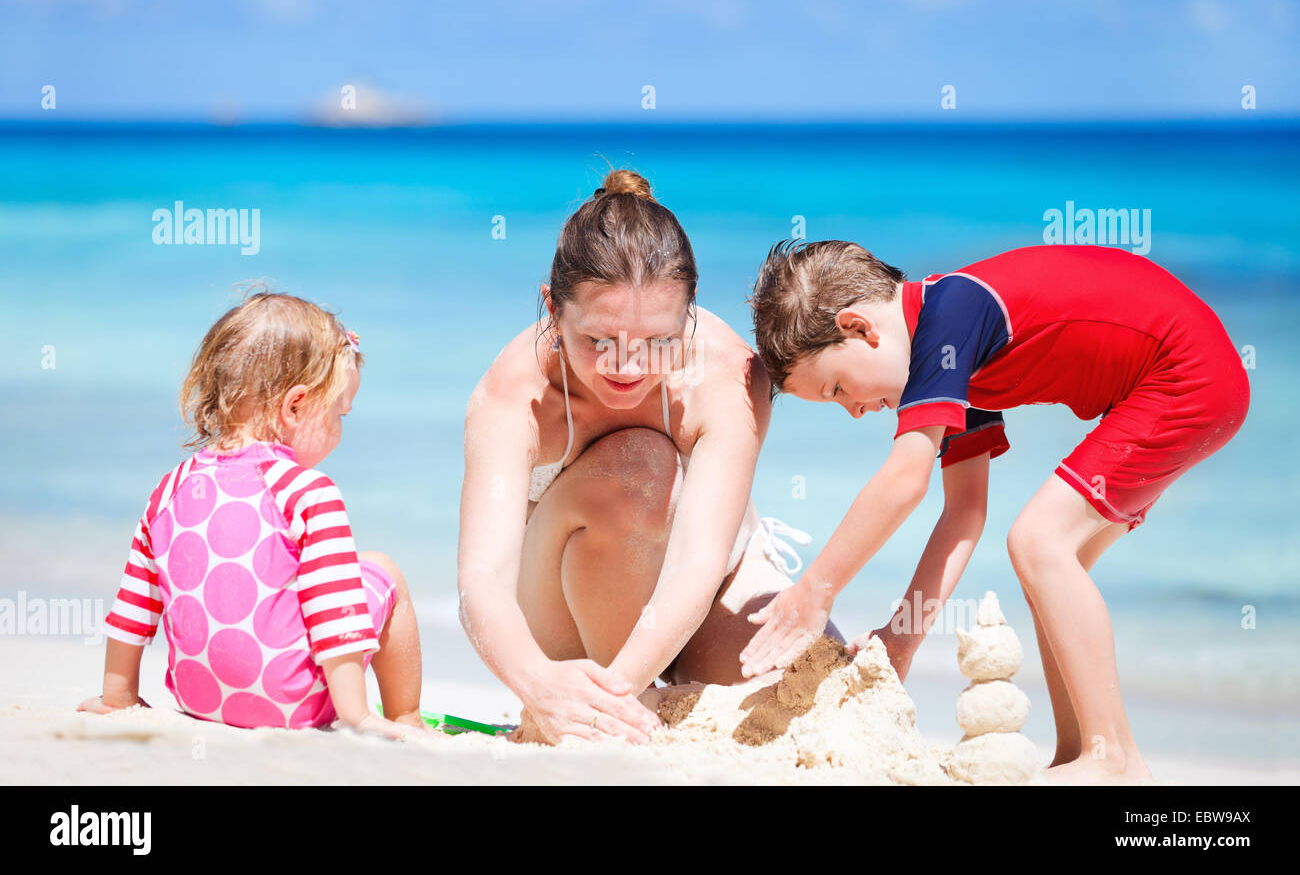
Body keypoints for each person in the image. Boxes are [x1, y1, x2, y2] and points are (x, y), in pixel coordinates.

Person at [740, 240, 1249, 784]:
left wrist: (816, 587)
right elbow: (964, 512)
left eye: (838, 387)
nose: (856, 411)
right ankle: (1080, 752)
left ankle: (1114, 758)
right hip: (1182, 381)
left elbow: (905, 480)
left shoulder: (949, 319)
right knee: (1055, 562)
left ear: (861, 328)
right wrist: (904, 637)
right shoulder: (957, 352)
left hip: (1185, 375)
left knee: (1038, 542)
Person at [457, 169, 842, 746]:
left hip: (706, 580)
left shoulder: (727, 376)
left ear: (688, 315)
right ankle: (635, 699)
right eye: (599, 340)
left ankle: (647, 692)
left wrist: (615, 698)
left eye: (656, 341)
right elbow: (482, 580)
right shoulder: (514, 394)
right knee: (639, 468)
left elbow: (698, 560)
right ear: (552, 312)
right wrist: (540, 686)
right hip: (563, 597)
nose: (627, 366)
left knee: (827, 689)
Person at [80, 291, 427, 740]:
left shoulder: (168, 489)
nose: (341, 433)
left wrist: (118, 698)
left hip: (199, 700)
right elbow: (333, 612)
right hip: (293, 708)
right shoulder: (308, 492)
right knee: (384, 570)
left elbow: (134, 605)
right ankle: (406, 717)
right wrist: (357, 716)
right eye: (341, 413)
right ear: (295, 405)